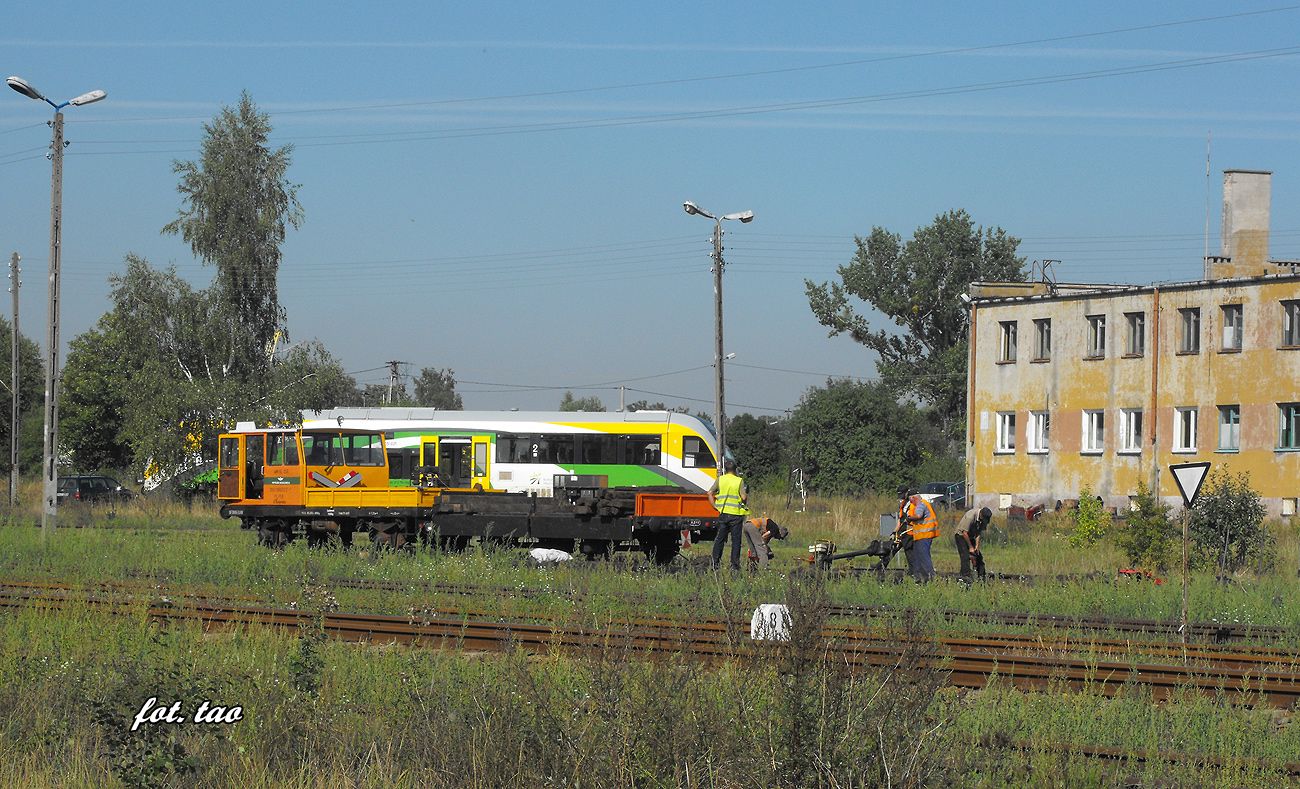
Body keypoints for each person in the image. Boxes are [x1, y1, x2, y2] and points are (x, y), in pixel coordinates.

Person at [707, 459, 749, 571]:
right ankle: (734, 566)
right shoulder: (739, 481)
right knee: (736, 541)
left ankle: (715, 564)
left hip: (723, 513)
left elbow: (710, 493)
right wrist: (744, 500)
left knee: (719, 539)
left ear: (725, 470)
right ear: (735, 469)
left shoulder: (720, 480)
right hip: (736, 514)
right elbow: (744, 497)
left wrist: (715, 506)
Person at [899, 491, 940, 582]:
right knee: (917, 557)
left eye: (910, 499)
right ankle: (918, 577)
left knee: (924, 557)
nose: (910, 501)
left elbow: (918, 515)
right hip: (920, 536)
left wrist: (909, 518)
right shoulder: (923, 504)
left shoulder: (921, 505)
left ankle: (931, 578)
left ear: (913, 497)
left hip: (924, 535)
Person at [954, 506, 991, 583]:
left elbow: (978, 532)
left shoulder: (985, 518)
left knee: (978, 557)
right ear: (981, 514)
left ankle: (982, 578)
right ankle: (965, 578)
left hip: (971, 536)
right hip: (961, 536)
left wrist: (977, 546)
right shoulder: (970, 516)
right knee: (965, 557)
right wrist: (971, 547)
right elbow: (964, 532)